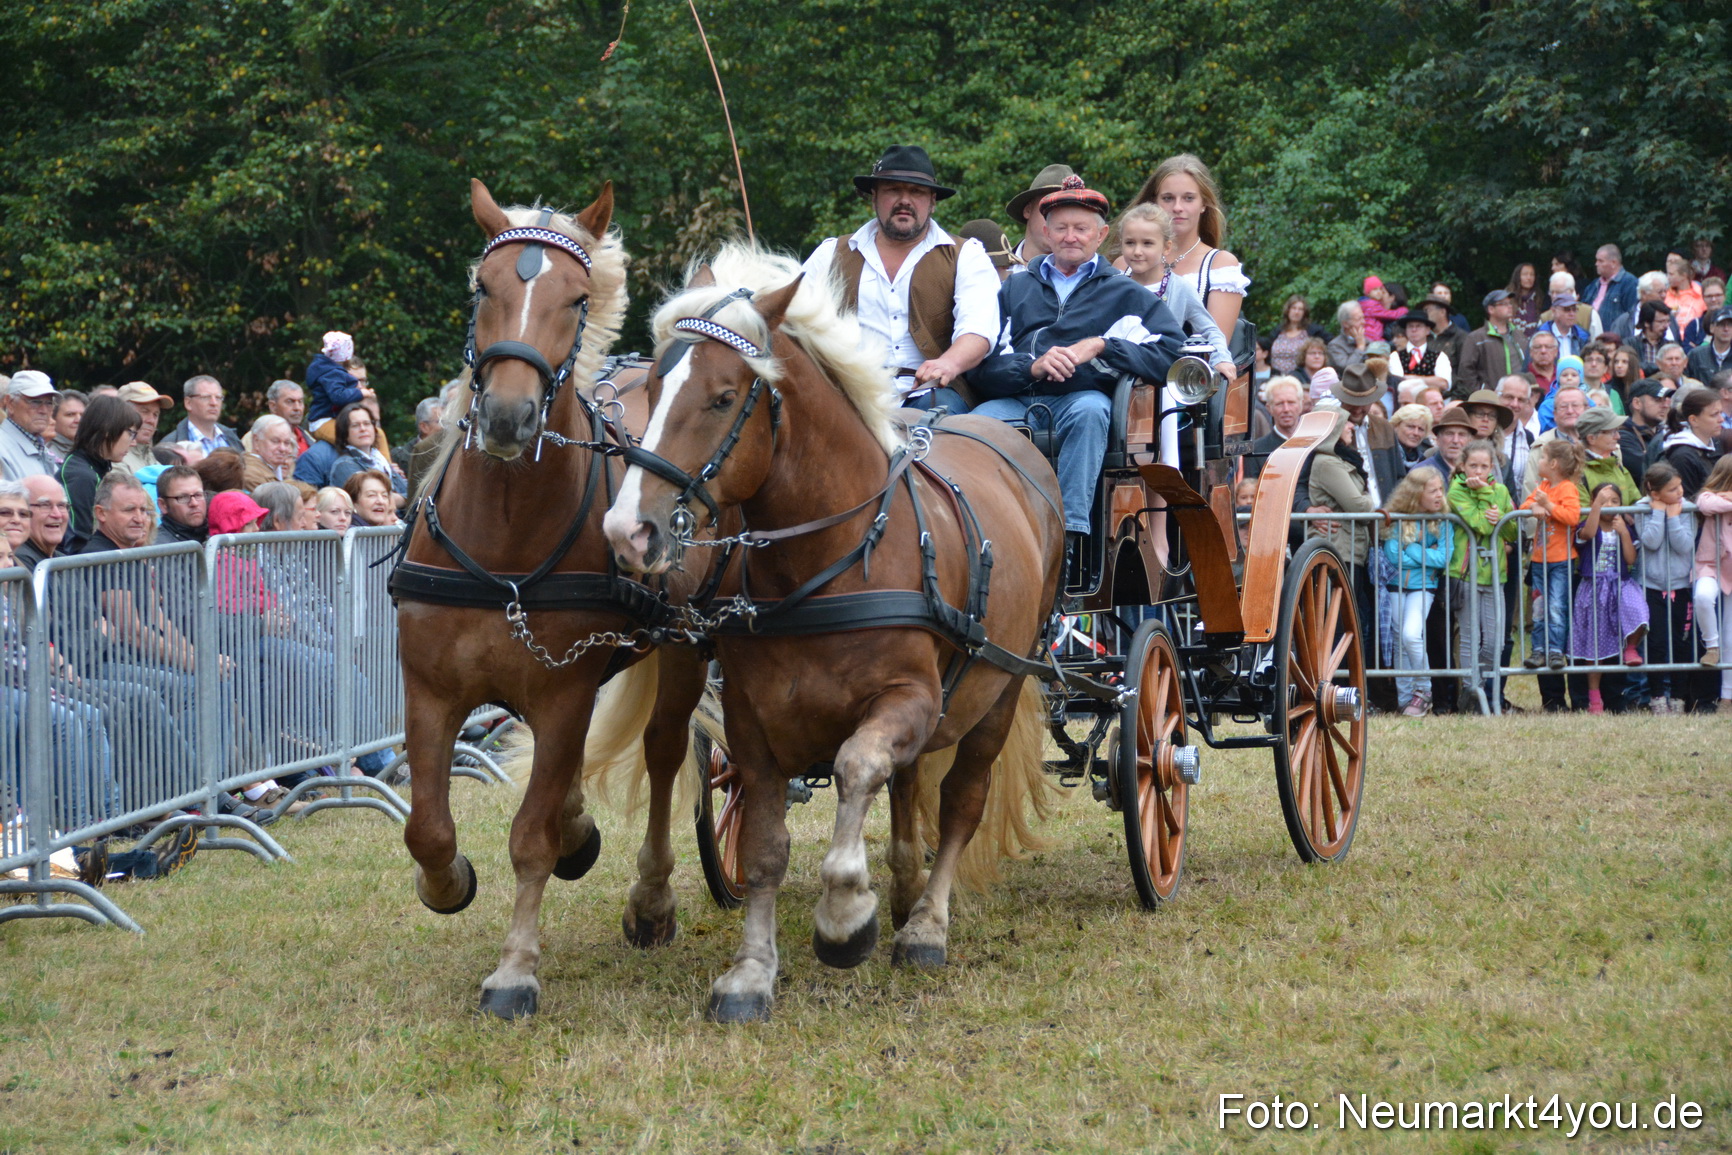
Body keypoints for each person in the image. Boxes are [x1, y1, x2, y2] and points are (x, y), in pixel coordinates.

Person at [972, 176, 1184, 544]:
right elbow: (982, 362)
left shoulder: (1124, 292)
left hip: (1080, 400)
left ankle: (1069, 539)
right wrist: (1031, 366)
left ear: (1100, 235)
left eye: (1081, 228)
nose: (1071, 236)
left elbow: (1172, 353)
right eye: (1061, 228)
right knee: (968, 427)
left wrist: (1103, 346)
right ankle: (976, 531)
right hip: (1017, 399)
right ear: (1046, 231)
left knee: (1091, 411)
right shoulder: (1014, 288)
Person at [800, 145, 999, 412]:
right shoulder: (831, 254)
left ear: (932, 202)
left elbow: (978, 330)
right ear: (874, 198)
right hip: (847, 394)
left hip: (936, 394)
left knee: (940, 435)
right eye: (893, 190)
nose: (904, 200)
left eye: (916, 192)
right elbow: (789, 315)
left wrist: (948, 363)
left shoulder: (966, 255)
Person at [1129, 154, 1247, 340]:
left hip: (1188, 367)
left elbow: (1214, 347)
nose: (1177, 207)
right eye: (1168, 198)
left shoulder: (1220, 266)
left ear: (1204, 204)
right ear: (1154, 202)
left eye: (1188, 198)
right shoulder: (1124, 263)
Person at [1112, 203, 1235, 379]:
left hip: (1163, 378)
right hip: (1113, 375)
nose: (1137, 251)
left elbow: (1210, 330)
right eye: (1130, 243)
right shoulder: (1113, 285)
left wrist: (1221, 358)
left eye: (1147, 244)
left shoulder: (1181, 289)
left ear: (1166, 247)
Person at [1449, 440, 1520, 713]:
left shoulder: (1500, 490)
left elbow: (1511, 531)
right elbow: (1480, 524)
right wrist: (1488, 501)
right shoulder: (1456, 490)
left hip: (1495, 575)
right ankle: (1471, 694)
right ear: (1463, 466)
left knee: (1494, 641)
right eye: (1472, 466)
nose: (1478, 472)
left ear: (1493, 466)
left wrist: (1498, 512)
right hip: (1466, 573)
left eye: (1484, 466)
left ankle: (1477, 688)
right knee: (1469, 637)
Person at [1572, 483, 1648, 714]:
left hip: (1619, 584)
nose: (1609, 505)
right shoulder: (1588, 524)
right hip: (1593, 588)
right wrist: (1596, 508)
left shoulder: (1623, 527)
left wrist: (1624, 531)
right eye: (1603, 500)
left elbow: (1630, 558)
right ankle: (1594, 698)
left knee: (1640, 612)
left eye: (1614, 500)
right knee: (1594, 644)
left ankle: (1630, 647)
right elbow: (1586, 535)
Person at [1382, 470, 1453, 716]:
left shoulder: (1442, 521)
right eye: (1432, 490)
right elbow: (1393, 555)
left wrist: (1410, 547)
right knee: (1399, 641)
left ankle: (1424, 690)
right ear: (1416, 494)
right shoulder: (1398, 518)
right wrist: (1423, 553)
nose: (1439, 495)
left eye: (1440, 490)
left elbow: (1443, 557)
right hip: (1396, 585)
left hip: (1424, 587)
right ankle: (1404, 699)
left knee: (1412, 635)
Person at [1635, 462, 1698, 713]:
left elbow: (1684, 545)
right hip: (1651, 587)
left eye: (1680, 485)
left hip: (1681, 586)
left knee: (1681, 643)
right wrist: (1659, 514)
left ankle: (1680, 697)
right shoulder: (1641, 508)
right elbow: (1650, 541)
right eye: (1672, 489)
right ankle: (1657, 696)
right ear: (1654, 492)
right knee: (1656, 643)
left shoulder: (1688, 509)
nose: (1680, 492)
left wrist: (1673, 516)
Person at [1520, 439, 1584, 675]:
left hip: (1560, 560)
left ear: (1554, 463)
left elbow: (1572, 517)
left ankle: (1556, 649)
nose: (1541, 461)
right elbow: (1527, 502)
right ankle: (1538, 649)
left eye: (1544, 457)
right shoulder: (1544, 485)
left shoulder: (1567, 488)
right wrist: (1534, 507)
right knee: (1538, 607)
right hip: (1539, 559)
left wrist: (1549, 506)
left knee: (1556, 605)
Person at [58, 394, 141, 554]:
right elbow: (77, 544)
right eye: (131, 433)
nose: (134, 442)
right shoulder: (82, 475)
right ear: (109, 430)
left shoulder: (95, 469)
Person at [1691, 457, 1732, 709]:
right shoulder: (1710, 497)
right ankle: (1711, 645)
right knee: (1703, 597)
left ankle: (1727, 695)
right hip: (1710, 565)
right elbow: (1704, 503)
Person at [321, 403, 407, 501]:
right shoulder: (344, 465)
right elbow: (371, 502)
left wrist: (402, 499)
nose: (363, 429)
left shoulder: (380, 461)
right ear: (344, 433)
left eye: (367, 423)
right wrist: (404, 500)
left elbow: (411, 493)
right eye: (355, 425)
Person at [1453, 289, 1526, 399]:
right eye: (1503, 304)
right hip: (1491, 401)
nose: (1509, 306)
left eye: (1510, 303)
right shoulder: (1476, 338)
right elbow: (1466, 373)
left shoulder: (1519, 335)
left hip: (1519, 398)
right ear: (1491, 309)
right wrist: (1484, 394)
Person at [1004, 163, 1074, 269]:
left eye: (1068, 213)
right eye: (1049, 209)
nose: (1059, 220)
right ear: (1028, 210)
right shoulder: (995, 269)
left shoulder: (1088, 276)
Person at [305, 331, 375, 438]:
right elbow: (338, 396)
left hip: (331, 419)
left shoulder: (326, 370)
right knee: (351, 439)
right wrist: (360, 393)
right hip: (323, 421)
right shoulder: (332, 373)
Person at [1659, 386, 1724, 497]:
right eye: (1714, 415)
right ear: (1693, 420)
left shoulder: (1714, 445)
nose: (1721, 419)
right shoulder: (1682, 456)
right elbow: (1684, 499)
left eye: (1720, 413)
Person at [1525, 385, 1589, 495]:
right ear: (1554, 414)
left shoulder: (1603, 443)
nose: (1570, 411)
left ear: (1586, 410)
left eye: (1575, 405)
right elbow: (1530, 491)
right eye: (1563, 407)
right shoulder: (1541, 446)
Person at [160, 375, 242, 456]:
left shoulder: (232, 438)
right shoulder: (169, 446)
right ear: (188, 403)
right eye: (206, 397)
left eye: (218, 398)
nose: (214, 403)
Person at [1, 370, 60, 481]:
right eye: (35, 402)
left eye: (49, 403)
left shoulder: (40, 446)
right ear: (10, 403)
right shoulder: (3, 449)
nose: (44, 410)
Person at [1243, 376, 1303, 479]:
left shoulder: (1315, 445)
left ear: (1301, 405)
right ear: (1269, 408)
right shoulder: (1256, 451)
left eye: (1291, 402)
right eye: (1279, 404)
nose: (1286, 409)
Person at [112, 381, 174, 477]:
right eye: (144, 411)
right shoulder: (113, 457)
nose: (151, 420)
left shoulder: (150, 457)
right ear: (121, 413)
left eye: (155, 414)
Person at [245, 380, 313, 455]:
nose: (297, 408)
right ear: (273, 406)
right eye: (290, 401)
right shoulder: (255, 438)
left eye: (300, 401)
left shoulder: (308, 437)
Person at [15, 475, 69, 569]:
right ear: (22, 513)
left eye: (61, 505)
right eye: (45, 505)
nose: (57, 514)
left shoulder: (66, 562)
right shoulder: (17, 561)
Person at [1621, 379, 1672, 474]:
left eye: (1665, 400)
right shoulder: (1623, 437)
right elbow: (1649, 473)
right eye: (1657, 400)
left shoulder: (1665, 433)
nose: (1665, 405)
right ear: (1637, 403)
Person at [1413, 404, 1474, 483]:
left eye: (1461, 435)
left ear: (1470, 440)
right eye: (1449, 434)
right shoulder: (1420, 473)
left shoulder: (1476, 472)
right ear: (1438, 439)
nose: (1455, 440)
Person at [153, 465, 209, 545]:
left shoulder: (219, 536)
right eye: (183, 497)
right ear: (163, 505)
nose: (194, 503)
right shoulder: (158, 549)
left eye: (198, 495)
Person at [242, 414, 303, 488]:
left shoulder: (273, 471)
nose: (282, 449)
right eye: (275, 441)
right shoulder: (252, 476)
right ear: (256, 441)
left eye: (287, 443)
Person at [1587, 244, 1639, 328]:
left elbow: (1632, 317)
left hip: (1614, 338)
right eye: (1597, 260)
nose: (1596, 264)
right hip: (1590, 338)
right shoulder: (1594, 285)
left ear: (1613, 263)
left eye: (1600, 261)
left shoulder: (1630, 283)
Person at [1270, 295, 1324, 375]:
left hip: (1300, 378)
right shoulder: (1278, 331)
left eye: (1300, 309)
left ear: (1304, 313)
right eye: (1294, 308)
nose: (1296, 312)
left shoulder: (1313, 331)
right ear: (1288, 310)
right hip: (1276, 377)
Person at [393, 396, 444, 475]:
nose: (446, 426)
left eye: (449, 420)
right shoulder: (401, 458)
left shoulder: (454, 452)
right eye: (441, 421)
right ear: (424, 427)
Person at [1536, 353, 1585, 433]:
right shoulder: (1548, 405)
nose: (1569, 378)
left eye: (1574, 375)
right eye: (1565, 375)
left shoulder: (1589, 401)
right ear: (1558, 378)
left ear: (1581, 378)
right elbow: (1548, 428)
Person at [1686, 305, 1732, 384]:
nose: (1726, 329)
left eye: (1730, 325)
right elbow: (1685, 381)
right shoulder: (1696, 355)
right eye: (1721, 324)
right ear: (1712, 328)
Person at [1355, 276, 1406, 344]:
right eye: (1375, 289)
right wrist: (1402, 311)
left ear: (1392, 297)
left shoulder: (1368, 304)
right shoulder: (1371, 305)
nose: (1379, 292)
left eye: (1380, 290)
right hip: (1372, 336)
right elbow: (1388, 314)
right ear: (1368, 293)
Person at [1664, 252, 1706, 331]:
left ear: (1683, 275)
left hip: (1695, 339)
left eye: (1671, 274)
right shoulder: (1665, 294)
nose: (1667, 278)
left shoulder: (1701, 293)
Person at [1680, 278, 1725, 350]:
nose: (1713, 299)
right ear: (1703, 298)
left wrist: (1698, 348)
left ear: (1724, 296)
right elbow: (1688, 353)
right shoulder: (1694, 325)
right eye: (1709, 296)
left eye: (1718, 295)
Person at [47, 388, 87, 465]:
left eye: (83, 415)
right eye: (70, 414)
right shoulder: (46, 452)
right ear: (53, 418)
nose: (78, 420)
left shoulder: (92, 450)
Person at [1326, 300, 1368, 372]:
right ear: (1345, 324)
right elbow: (1347, 369)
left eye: (1363, 318)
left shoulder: (1368, 342)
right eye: (1359, 319)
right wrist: (1360, 348)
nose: (1363, 322)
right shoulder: (1335, 346)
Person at [1507, 261, 1545, 337]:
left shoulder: (1539, 298)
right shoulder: (1508, 298)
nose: (1529, 278)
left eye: (1532, 275)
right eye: (1525, 274)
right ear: (1518, 277)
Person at [1526, 329, 1560, 397]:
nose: (1543, 351)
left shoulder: (1563, 375)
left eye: (1548, 347)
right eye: (1538, 347)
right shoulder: (1522, 378)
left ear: (1556, 352)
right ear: (1530, 352)